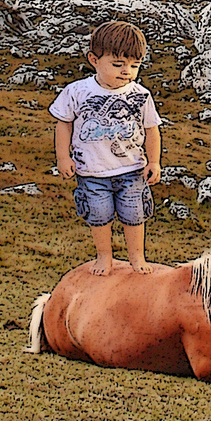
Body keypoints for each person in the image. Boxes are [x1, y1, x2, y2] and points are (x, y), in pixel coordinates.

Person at [49, 20, 162, 275]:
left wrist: (154, 162)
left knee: (134, 215)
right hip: (91, 172)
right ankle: (104, 256)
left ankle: (137, 257)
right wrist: (63, 157)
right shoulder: (77, 92)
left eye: (134, 65)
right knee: (98, 216)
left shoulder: (141, 95)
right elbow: (63, 123)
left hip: (132, 170)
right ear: (94, 59)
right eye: (118, 64)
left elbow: (152, 129)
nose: (126, 72)